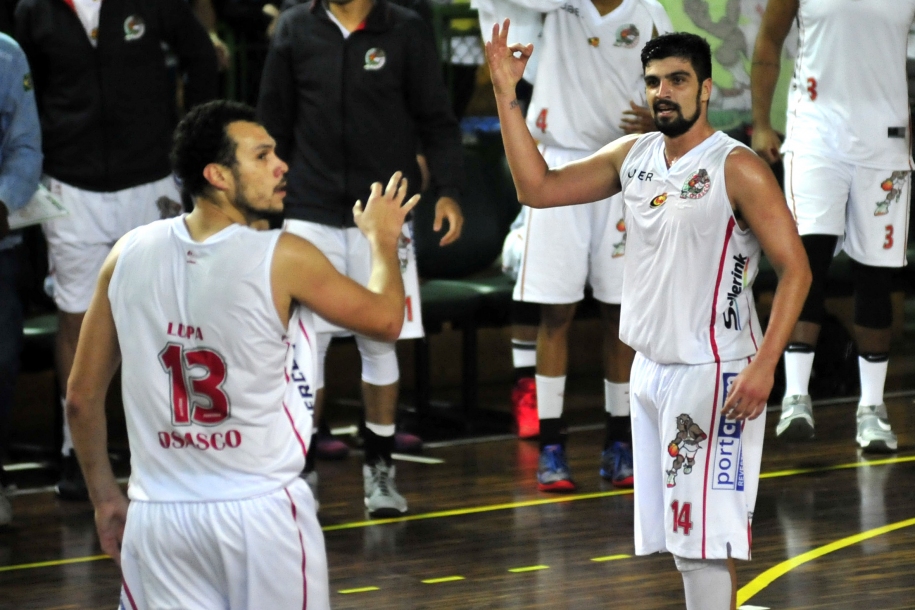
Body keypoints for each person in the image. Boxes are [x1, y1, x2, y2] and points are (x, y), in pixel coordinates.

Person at [487, 26, 811, 610]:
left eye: (678, 80)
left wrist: (765, 367)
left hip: (715, 373)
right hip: (649, 370)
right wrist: (507, 95)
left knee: (700, 543)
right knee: (689, 539)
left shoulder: (737, 167)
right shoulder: (632, 154)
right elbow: (537, 188)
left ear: (706, 89)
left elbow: (797, 270)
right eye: (654, 81)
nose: (664, 92)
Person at [65, 100, 417, 610]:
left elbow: (80, 399)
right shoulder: (283, 256)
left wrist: (103, 497)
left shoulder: (125, 254)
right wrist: (382, 240)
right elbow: (386, 321)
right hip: (260, 514)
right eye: (262, 156)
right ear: (217, 176)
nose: (281, 166)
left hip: (157, 517)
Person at [257, 0, 464, 517]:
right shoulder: (294, 27)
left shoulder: (405, 29)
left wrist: (449, 190)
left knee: (380, 342)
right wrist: (262, 206)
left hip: (385, 210)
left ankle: (380, 468)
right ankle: (301, 471)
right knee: (307, 350)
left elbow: (437, 119)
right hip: (307, 209)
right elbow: (272, 122)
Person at [15, 0, 219, 500]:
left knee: (164, 316)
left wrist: (191, 145)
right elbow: (25, 90)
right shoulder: (31, 9)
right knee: (75, 316)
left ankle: (169, 440)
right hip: (70, 183)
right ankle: (75, 448)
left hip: (150, 176)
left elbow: (201, 54)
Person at [498, 0, 672, 492]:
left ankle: (620, 442)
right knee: (556, 313)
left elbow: (681, 84)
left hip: (624, 167)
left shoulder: (649, 12)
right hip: (557, 164)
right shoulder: (558, 4)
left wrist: (659, 119)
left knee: (621, 316)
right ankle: (551, 446)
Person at [751, 0, 915, 453]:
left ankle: (872, 408)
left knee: (876, 276)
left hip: (886, 141)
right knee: (806, 262)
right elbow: (768, 42)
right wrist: (762, 123)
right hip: (815, 135)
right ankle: (796, 397)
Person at [0, 32, 43, 528]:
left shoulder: (7, 54)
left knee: (1, 360)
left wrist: (4, 200)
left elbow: (26, 147)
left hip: (0, 245)